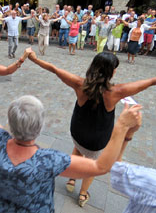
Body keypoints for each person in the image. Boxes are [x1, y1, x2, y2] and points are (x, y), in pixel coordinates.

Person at [0, 57, 142, 212]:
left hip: (1, 209)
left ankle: (73, 180)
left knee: (78, 148)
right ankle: (82, 192)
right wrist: (122, 128)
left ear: (10, 123)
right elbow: (101, 166)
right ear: (40, 127)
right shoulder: (49, 159)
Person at [27, 50, 156, 207]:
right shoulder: (116, 92)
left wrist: (34, 59)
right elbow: (150, 81)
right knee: (92, 165)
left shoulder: (80, 84)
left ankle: (72, 177)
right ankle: (82, 194)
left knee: (78, 148)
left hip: (77, 132)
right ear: (111, 71)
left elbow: (54, 69)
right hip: (97, 141)